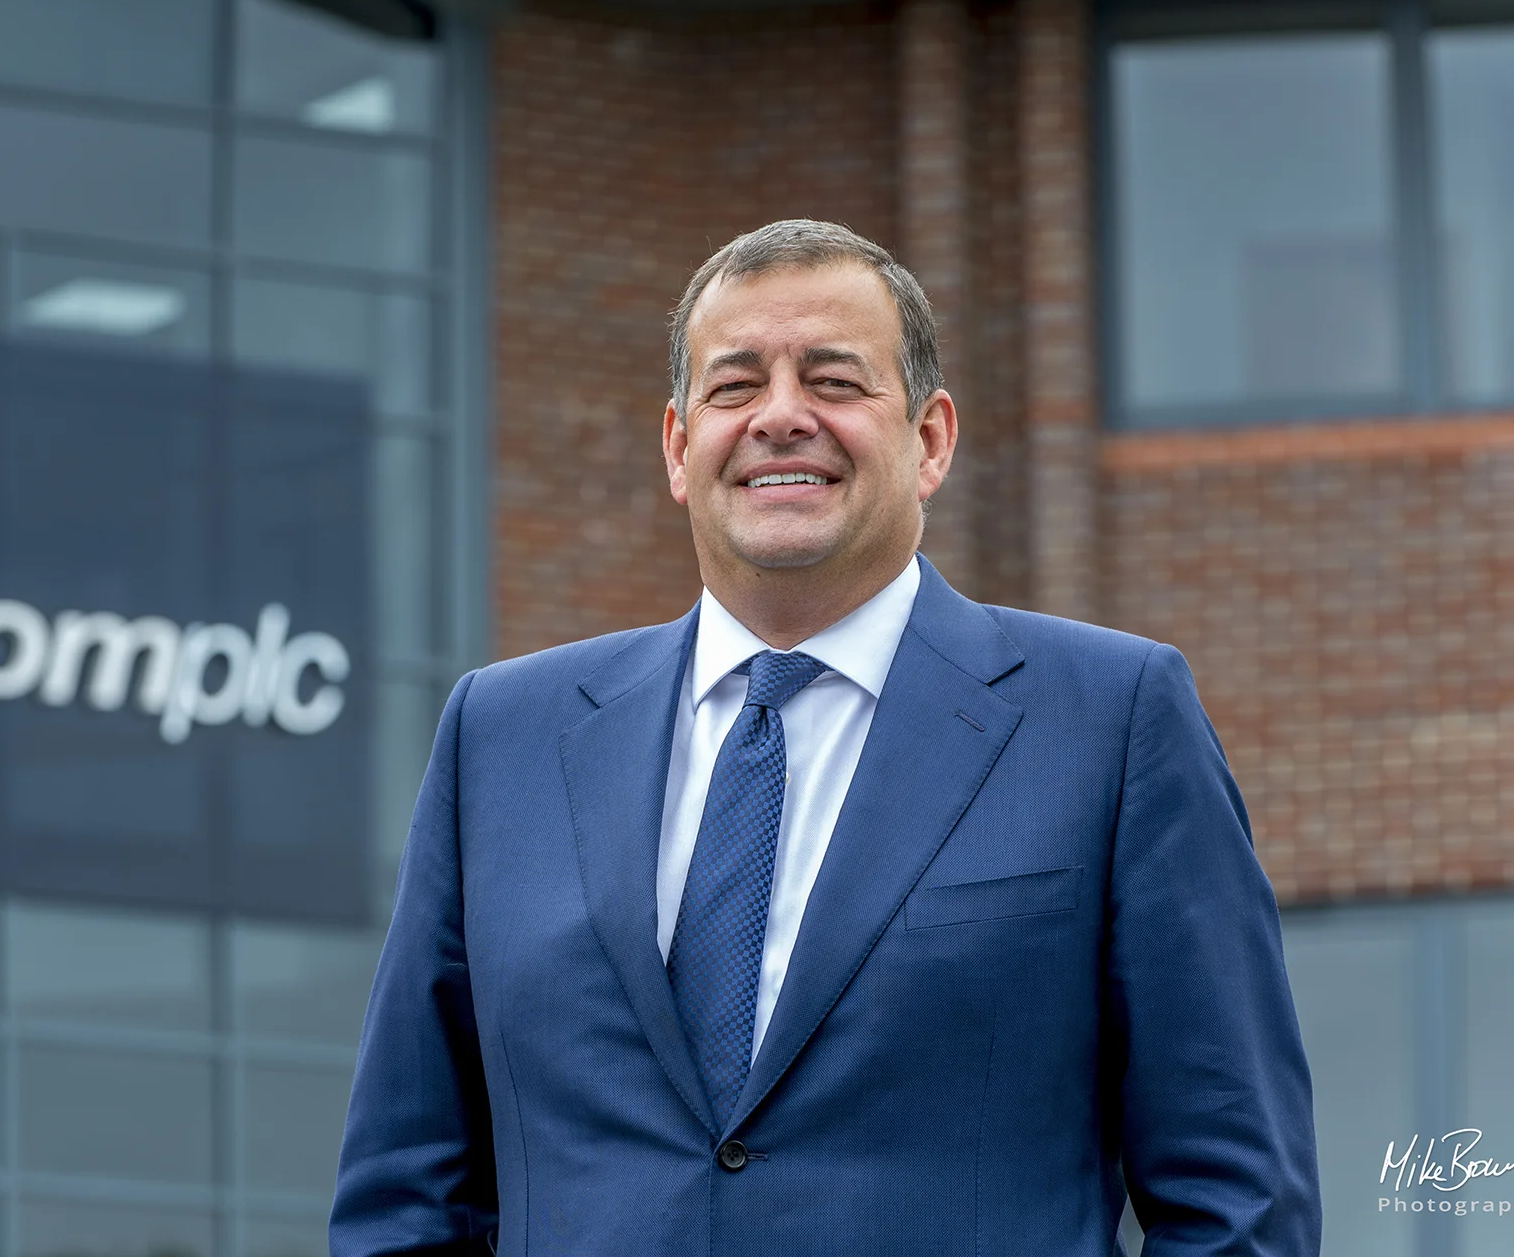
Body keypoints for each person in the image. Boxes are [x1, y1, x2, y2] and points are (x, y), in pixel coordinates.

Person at [331, 219, 1320, 1255]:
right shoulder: (500, 736)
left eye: (835, 382)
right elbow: (405, 1195)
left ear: (929, 439)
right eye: (734, 386)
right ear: (678, 447)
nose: (780, 417)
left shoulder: (1111, 720)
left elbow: (1236, 1201)